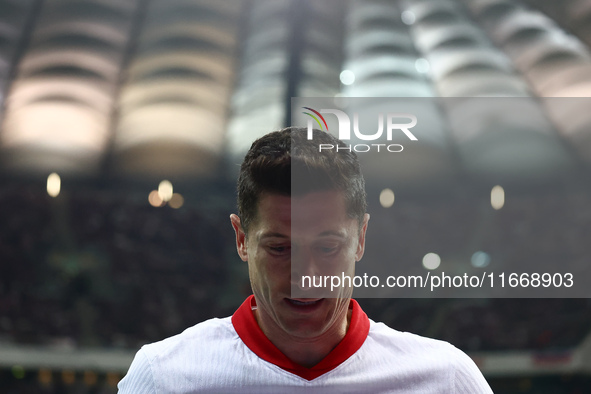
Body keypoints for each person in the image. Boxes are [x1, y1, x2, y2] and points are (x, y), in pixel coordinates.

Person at [118, 127, 493, 393]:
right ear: (242, 239)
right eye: (280, 248)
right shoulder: (163, 378)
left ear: (361, 238)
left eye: (327, 248)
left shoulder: (446, 380)